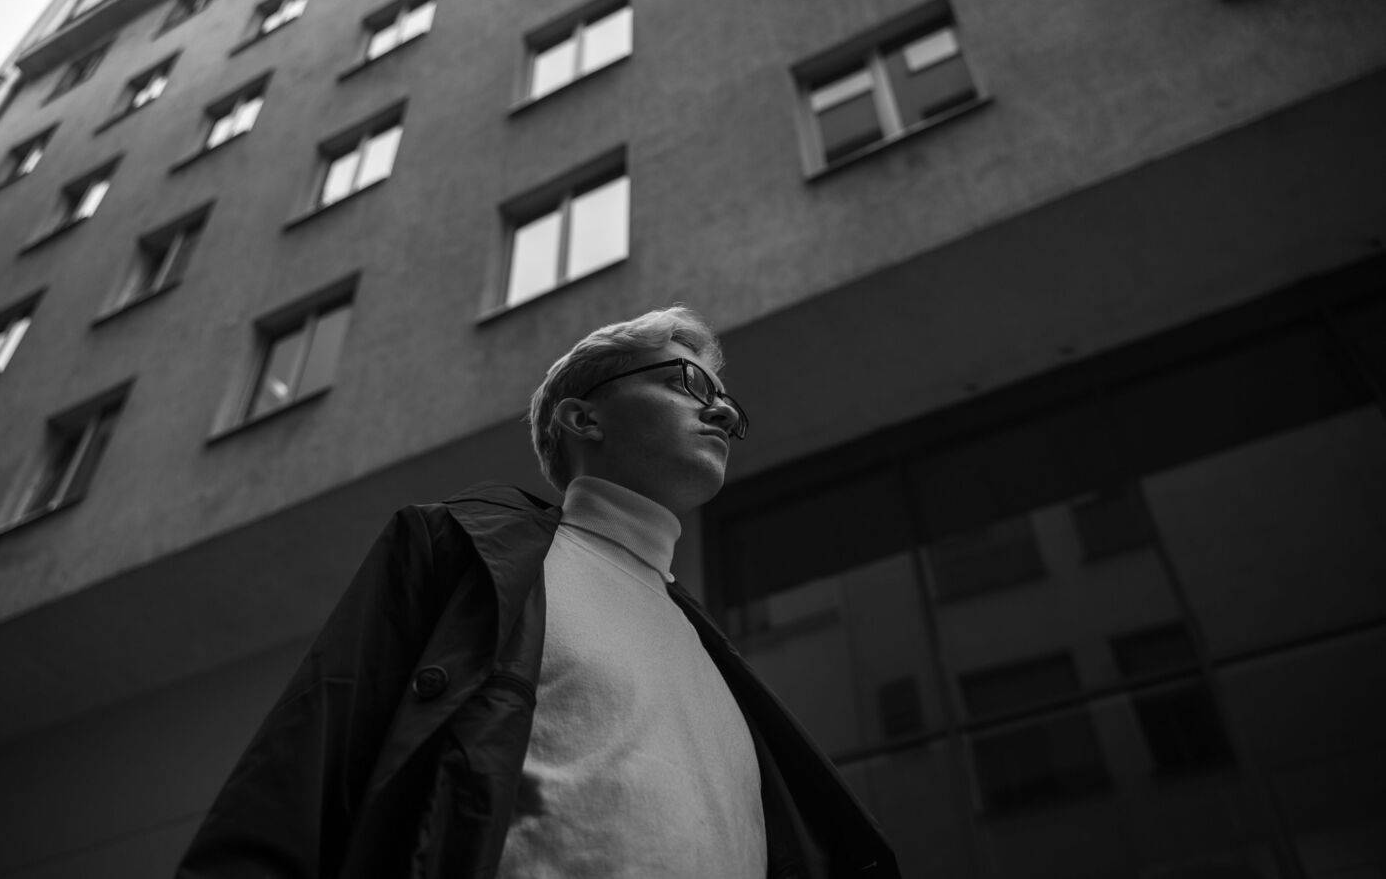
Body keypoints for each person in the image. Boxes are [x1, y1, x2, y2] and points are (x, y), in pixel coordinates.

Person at [176, 306, 898, 878]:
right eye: (687, 384)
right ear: (582, 418)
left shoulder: (717, 660)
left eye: (726, 403)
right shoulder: (455, 551)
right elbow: (298, 779)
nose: (722, 414)